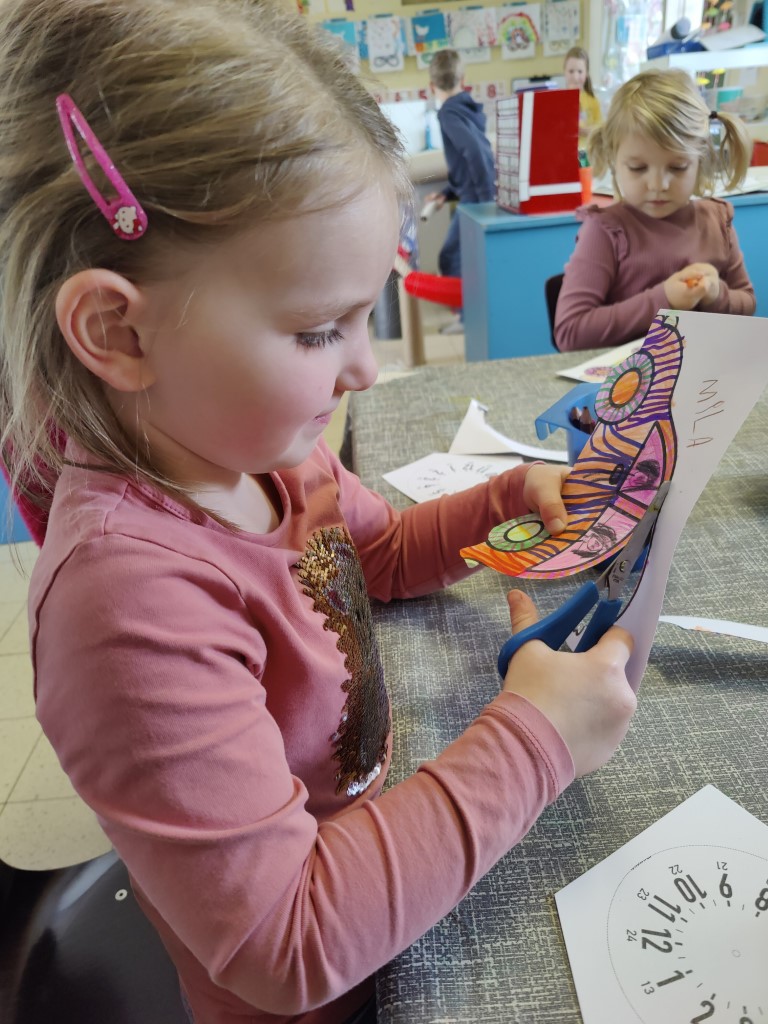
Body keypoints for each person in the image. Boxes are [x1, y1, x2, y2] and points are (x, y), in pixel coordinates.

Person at [0, 2, 636, 1023]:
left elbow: (374, 560)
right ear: (118, 330)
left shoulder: (265, 454)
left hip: (389, 890)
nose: (364, 370)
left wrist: (506, 501)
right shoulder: (126, 603)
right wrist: (538, 737)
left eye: (364, 316)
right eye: (317, 331)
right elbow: (285, 941)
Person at [554, 67, 755, 352]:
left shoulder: (717, 221)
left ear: (700, 161)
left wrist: (716, 294)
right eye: (638, 168)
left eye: (678, 167)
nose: (658, 185)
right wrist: (665, 300)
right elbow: (570, 332)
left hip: (704, 372)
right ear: (614, 159)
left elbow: (747, 304)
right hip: (627, 377)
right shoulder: (606, 231)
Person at [424, 48, 496, 289]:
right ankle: (470, 306)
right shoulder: (468, 110)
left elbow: (475, 152)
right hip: (478, 196)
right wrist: (447, 193)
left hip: (477, 200)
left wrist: (486, 203)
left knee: (451, 259)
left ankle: (467, 309)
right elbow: (466, 166)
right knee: (465, 259)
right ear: (463, 81)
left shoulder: (447, 113)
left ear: (431, 86)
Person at [563, 45, 602, 143]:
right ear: (565, 72)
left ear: (586, 73)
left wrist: (587, 131)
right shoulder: (559, 101)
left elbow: (600, 130)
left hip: (587, 149)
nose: (575, 77)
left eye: (580, 72)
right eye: (571, 71)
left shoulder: (593, 101)